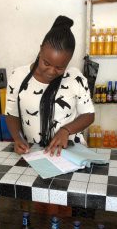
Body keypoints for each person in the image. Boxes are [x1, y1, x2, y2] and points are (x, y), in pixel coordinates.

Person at [5, 15, 95, 156]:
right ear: (41, 50)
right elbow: (11, 114)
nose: (51, 71)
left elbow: (89, 115)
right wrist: (18, 138)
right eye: (46, 63)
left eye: (60, 67)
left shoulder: (75, 78)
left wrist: (66, 130)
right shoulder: (18, 76)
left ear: (69, 61)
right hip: (34, 153)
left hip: (71, 152)